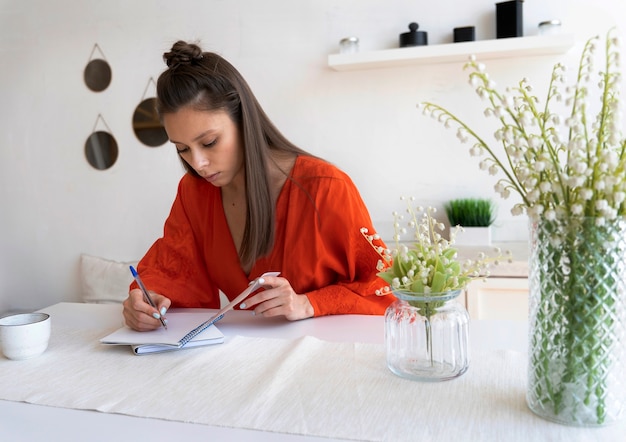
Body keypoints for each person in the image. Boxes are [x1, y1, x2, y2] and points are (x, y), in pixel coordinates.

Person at [122, 40, 393, 331]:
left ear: (243, 119)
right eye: (182, 149)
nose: (198, 163)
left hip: (326, 356)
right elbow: (173, 271)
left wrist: (308, 303)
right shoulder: (194, 192)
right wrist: (146, 301)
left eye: (209, 142)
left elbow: (384, 288)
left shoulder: (326, 188)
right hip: (246, 357)